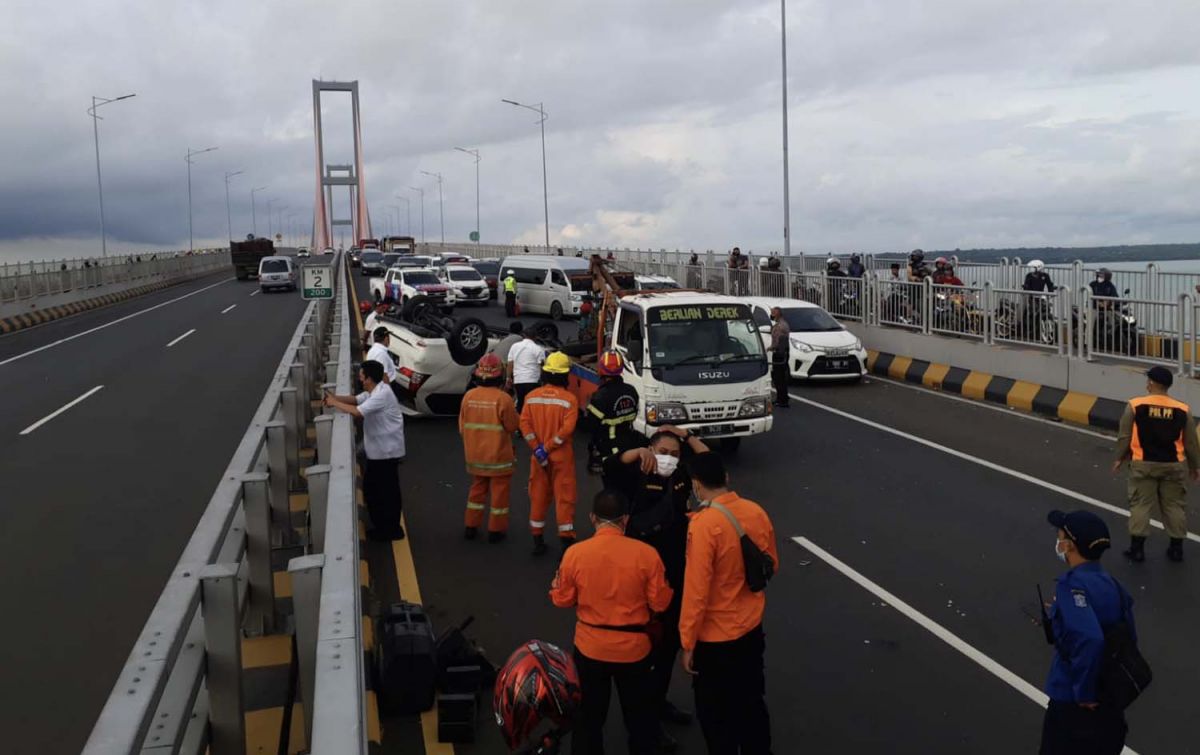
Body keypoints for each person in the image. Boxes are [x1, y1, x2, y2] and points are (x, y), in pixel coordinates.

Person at [605, 428, 710, 749]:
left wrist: (688, 436)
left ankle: (659, 702)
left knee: (668, 646)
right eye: (663, 450)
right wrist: (635, 454)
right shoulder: (633, 473)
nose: (669, 457)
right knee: (644, 652)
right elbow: (608, 466)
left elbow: (709, 462)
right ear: (650, 449)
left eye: (675, 453)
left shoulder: (679, 476)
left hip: (674, 571)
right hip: (640, 575)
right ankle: (644, 724)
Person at [549, 490, 673, 755]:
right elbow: (661, 603)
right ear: (625, 520)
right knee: (640, 720)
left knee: (588, 720)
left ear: (593, 518)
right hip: (635, 651)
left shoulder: (575, 554)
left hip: (590, 649)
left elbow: (562, 599)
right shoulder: (647, 554)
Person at [680, 452, 777, 755]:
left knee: (716, 714)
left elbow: (696, 590)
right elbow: (771, 563)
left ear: (696, 485)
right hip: (750, 628)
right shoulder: (755, 511)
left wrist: (688, 641)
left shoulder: (704, 525)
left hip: (715, 638)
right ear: (726, 478)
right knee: (751, 703)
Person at [1040, 509, 1135, 755]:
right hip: (1110, 702)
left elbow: (1090, 638)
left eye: (1060, 536)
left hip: (1074, 704)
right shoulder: (1112, 584)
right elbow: (1128, 636)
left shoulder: (1071, 586)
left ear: (1069, 545)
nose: (1058, 542)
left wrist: (1084, 692)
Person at [1112, 365, 1200, 562]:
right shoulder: (1182, 409)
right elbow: (1191, 442)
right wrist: (1195, 466)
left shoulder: (1135, 405)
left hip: (1143, 464)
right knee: (1174, 505)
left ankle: (1137, 549)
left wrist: (1120, 457)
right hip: (1173, 465)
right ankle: (1176, 548)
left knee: (1140, 504)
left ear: (1151, 383)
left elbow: (1124, 436)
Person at [324, 361, 406, 541]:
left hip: (386, 453)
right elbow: (355, 399)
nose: (360, 379)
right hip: (381, 452)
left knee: (383, 492)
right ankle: (387, 528)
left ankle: (389, 530)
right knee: (378, 490)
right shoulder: (376, 391)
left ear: (369, 378)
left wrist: (334, 403)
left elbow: (357, 411)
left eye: (361, 376)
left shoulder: (381, 395)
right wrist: (335, 398)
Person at [521, 352, 580, 554]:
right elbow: (567, 429)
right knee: (564, 498)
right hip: (561, 457)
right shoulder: (569, 399)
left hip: (538, 458)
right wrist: (548, 447)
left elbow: (525, 426)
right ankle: (566, 544)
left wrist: (538, 449)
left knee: (537, 496)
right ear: (565, 376)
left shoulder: (531, 397)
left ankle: (537, 541)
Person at [459, 354, 521, 543]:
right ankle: (495, 530)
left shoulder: (468, 397)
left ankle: (471, 526)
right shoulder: (504, 399)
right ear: (499, 376)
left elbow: (462, 427)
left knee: (477, 491)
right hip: (498, 458)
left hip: (475, 457)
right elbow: (512, 426)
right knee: (499, 495)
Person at [582, 350, 641, 480]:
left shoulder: (601, 396)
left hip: (609, 450)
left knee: (612, 488)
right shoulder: (631, 390)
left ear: (601, 371)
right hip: (629, 445)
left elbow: (591, 425)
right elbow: (634, 413)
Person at [506, 323, 545, 413]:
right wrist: (542, 381)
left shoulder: (514, 346)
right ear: (535, 337)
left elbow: (510, 363)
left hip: (518, 380)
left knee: (520, 403)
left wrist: (508, 378)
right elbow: (541, 366)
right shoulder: (538, 349)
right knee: (532, 406)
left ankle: (519, 423)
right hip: (533, 381)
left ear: (524, 335)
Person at [767, 307, 791, 408]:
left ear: (777, 314)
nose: (771, 315)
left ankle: (782, 399)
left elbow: (778, 341)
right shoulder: (781, 324)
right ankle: (782, 398)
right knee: (779, 377)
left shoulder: (780, 326)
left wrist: (770, 348)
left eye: (773, 313)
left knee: (778, 378)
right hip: (782, 353)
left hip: (780, 354)